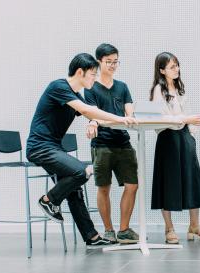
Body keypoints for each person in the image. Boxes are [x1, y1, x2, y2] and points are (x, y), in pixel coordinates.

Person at [26, 53, 136, 248]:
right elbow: (87, 111)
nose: (95, 78)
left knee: (75, 189)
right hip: (40, 147)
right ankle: (48, 200)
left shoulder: (75, 95)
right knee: (81, 171)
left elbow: (94, 115)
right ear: (80, 72)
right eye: (93, 74)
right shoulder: (58, 87)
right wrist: (119, 119)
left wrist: (109, 120)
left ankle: (91, 236)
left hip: (53, 147)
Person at [149, 52, 200, 244]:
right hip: (168, 139)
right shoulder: (158, 90)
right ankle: (169, 228)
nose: (176, 69)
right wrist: (185, 120)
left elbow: (189, 114)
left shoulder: (180, 87)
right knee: (168, 183)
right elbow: (160, 119)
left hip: (185, 137)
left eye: (177, 65)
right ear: (162, 70)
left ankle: (194, 226)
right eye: (171, 66)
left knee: (192, 181)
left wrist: (191, 135)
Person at [85, 44, 139, 244]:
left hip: (123, 143)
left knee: (132, 185)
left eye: (116, 61)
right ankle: (109, 230)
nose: (113, 65)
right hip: (102, 145)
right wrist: (94, 121)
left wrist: (128, 117)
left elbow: (129, 112)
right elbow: (92, 113)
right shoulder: (91, 88)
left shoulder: (122, 86)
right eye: (109, 62)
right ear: (99, 62)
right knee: (104, 187)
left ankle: (124, 229)